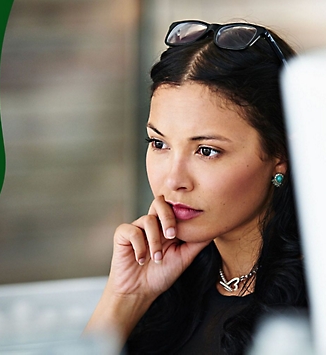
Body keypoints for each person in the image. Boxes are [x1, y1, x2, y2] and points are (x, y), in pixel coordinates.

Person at [85, 20, 307, 354]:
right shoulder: (168, 282)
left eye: (207, 151)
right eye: (159, 144)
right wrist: (126, 298)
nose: (173, 180)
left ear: (281, 154)